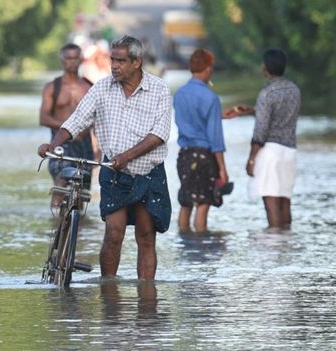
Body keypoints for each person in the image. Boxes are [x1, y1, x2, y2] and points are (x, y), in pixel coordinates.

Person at [38, 35, 172, 280]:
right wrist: (53, 144)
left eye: (120, 61)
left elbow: (159, 135)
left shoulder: (159, 89)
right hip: (114, 174)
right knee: (113, 233)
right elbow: (76, 121)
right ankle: (108, 292)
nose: (114, 66)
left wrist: (127, 156)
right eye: (112, 60)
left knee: (145, 236)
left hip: (148, 173)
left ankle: (147, 298)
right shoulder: (101, 87)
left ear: (137, 62)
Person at [235, 48, 301, 230]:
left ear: (265, 68)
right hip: (289, 151)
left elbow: (261, 131)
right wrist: (254, 111)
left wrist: (251, 158)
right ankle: (286, 242)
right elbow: (282, 116)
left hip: (271, 152)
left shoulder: (267, 93)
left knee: (270, 199)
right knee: (284, 198)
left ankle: (274, 244)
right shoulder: (294, 90)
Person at [173, 48, 231, 233]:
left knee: (186, 201)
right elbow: (215, 138)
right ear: (207, 69)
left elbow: (191, 120)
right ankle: (201, 247)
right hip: (204, 157)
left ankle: (184, 244)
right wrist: (222, 168)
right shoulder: (211, 98)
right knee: (203, 203)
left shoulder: (180, 94)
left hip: (184, 156)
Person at [39, 43, 97, 206]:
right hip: (61, 142)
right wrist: (70, 128)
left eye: (75, 58)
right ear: (62, 61)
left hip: (84, 144)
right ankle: (56, 223)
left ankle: (77, 229)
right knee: (61, 183)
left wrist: (98, 148)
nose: (72, 62)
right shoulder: (52, 87)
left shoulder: (89, 87)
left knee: (82, 193)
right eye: (68, 58)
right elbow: (44, 118)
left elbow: (98, 119)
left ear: (81, 60)